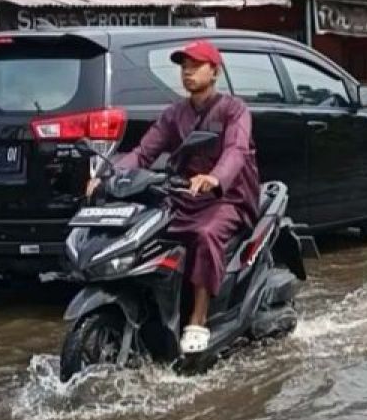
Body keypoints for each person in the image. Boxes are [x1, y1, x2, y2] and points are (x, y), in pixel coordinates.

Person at [86, 39, 259, 355]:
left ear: (214, 71)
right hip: (181, 196)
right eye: (184, 67)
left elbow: (236, 151)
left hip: (227, 199)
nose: (188, 72)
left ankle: (198, 318)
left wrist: (214, 178)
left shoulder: (234, 110)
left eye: (195, 66)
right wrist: (107, 177)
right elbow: (142, 152)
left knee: (205, 235)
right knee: (146, 232)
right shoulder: (174, 114)